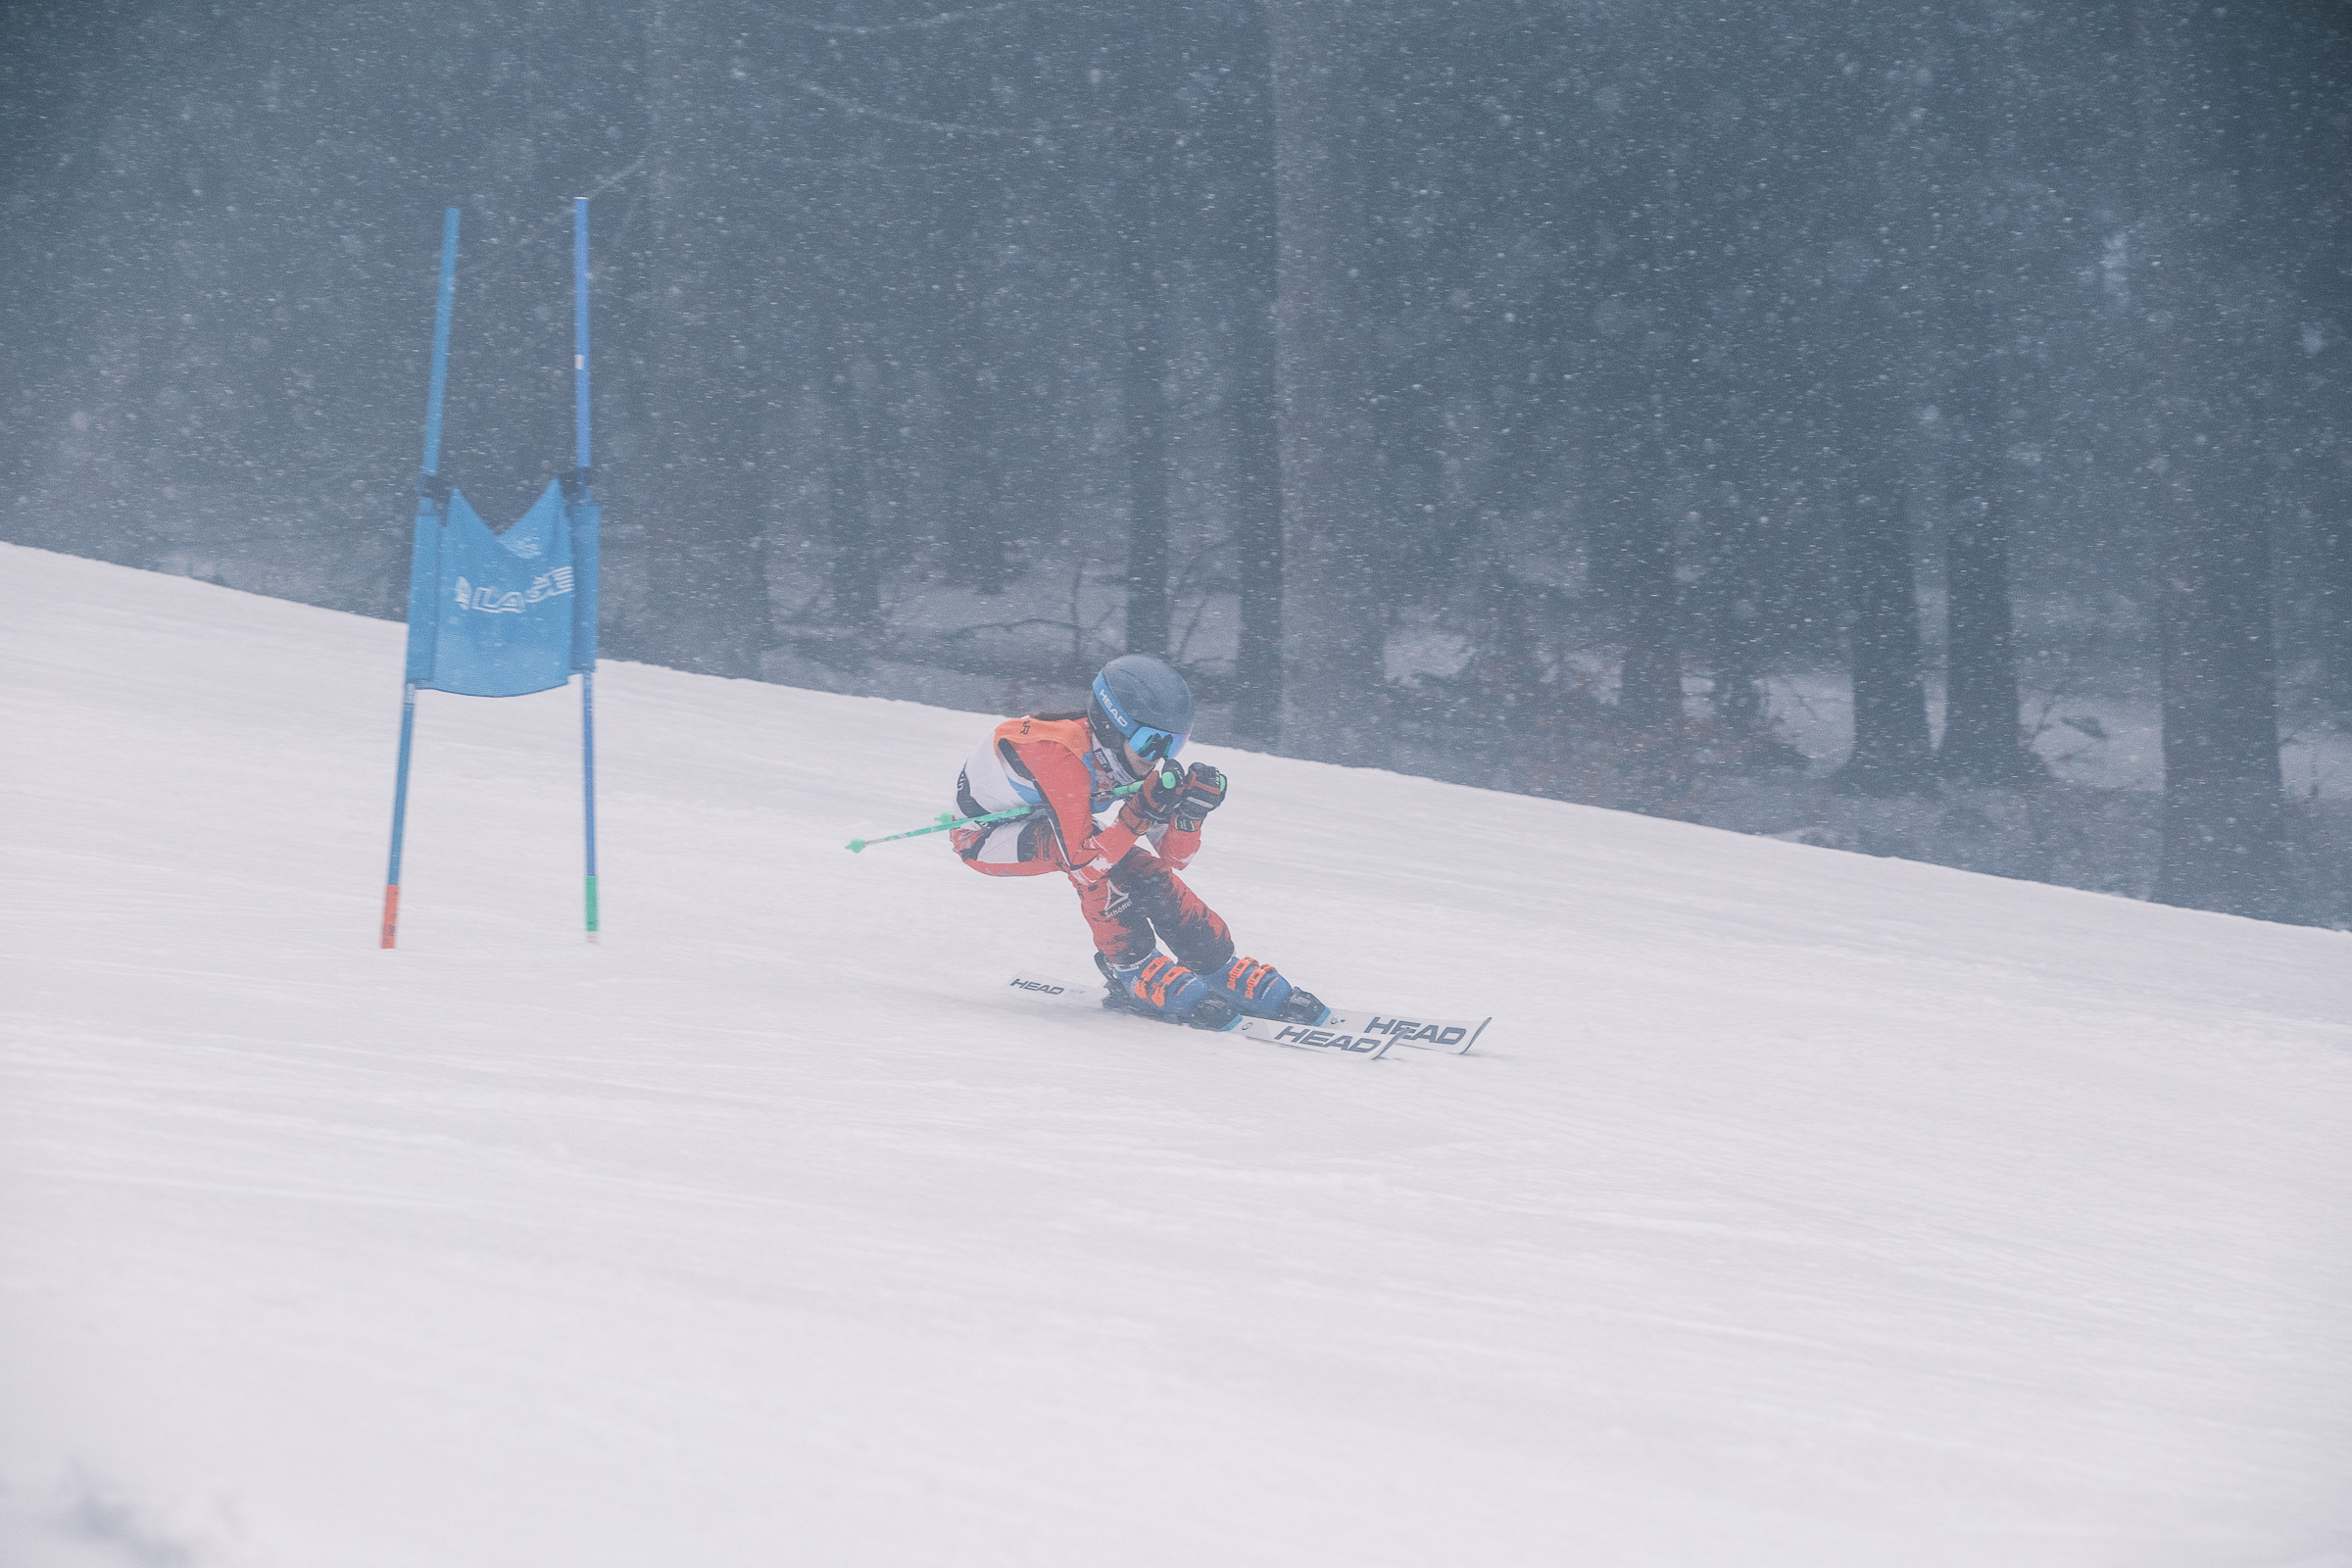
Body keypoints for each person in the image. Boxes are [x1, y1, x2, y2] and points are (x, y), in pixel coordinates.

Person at [950, 654, 1321, 1030]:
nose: (1159, 757)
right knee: (1101, 863)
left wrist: (1189, 816)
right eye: (1151, 742)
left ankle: (1214, 965)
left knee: (1144, 868)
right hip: (984, 838)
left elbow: (1174, 859)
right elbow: (1083, 865)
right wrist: (1138, 815)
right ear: (1112, 728)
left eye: (1174, 745)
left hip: (1052, 821)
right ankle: (1132, 968)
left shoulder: (1126, 757)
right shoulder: (1059, 755)